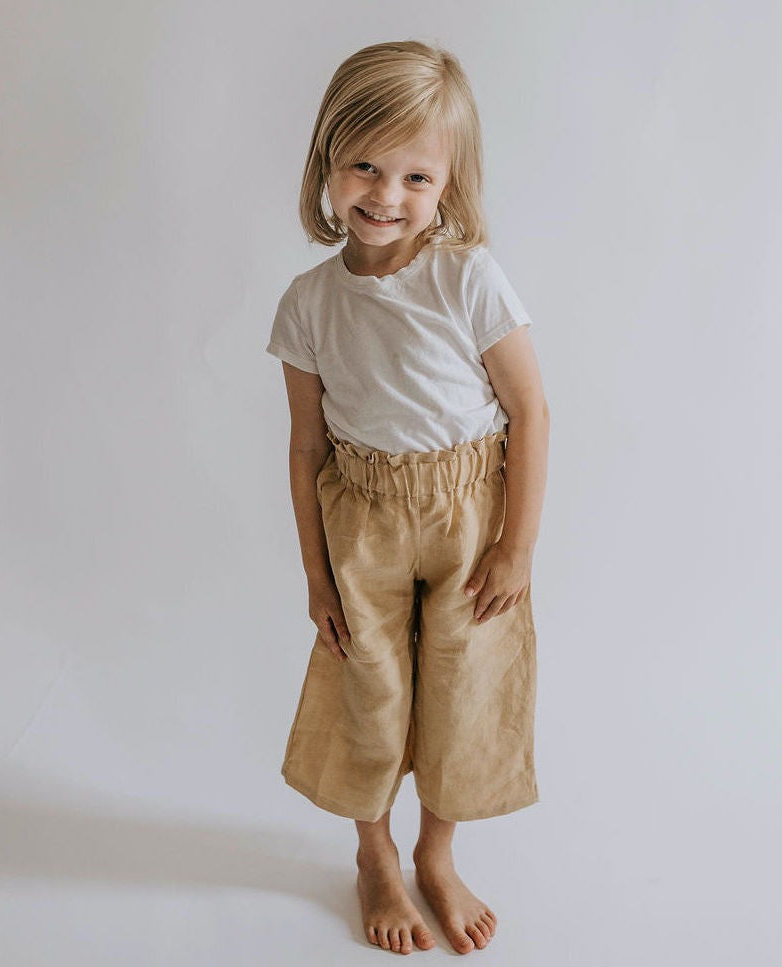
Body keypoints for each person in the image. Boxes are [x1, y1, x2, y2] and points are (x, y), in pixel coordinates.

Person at [265, 39, 549, 956]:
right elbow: (306, 444)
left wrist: (516, 547)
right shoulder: (309, 303)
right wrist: (317, 575)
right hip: (363, 518)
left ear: (448, 184)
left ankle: (436, 851)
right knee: (370, 687)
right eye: (365, 167)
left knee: (464, 686)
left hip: (468, 516)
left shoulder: (468, 277)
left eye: (416, 177)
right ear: (327, 160)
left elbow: (530, 410)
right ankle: (374, 853)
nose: (386, 195)